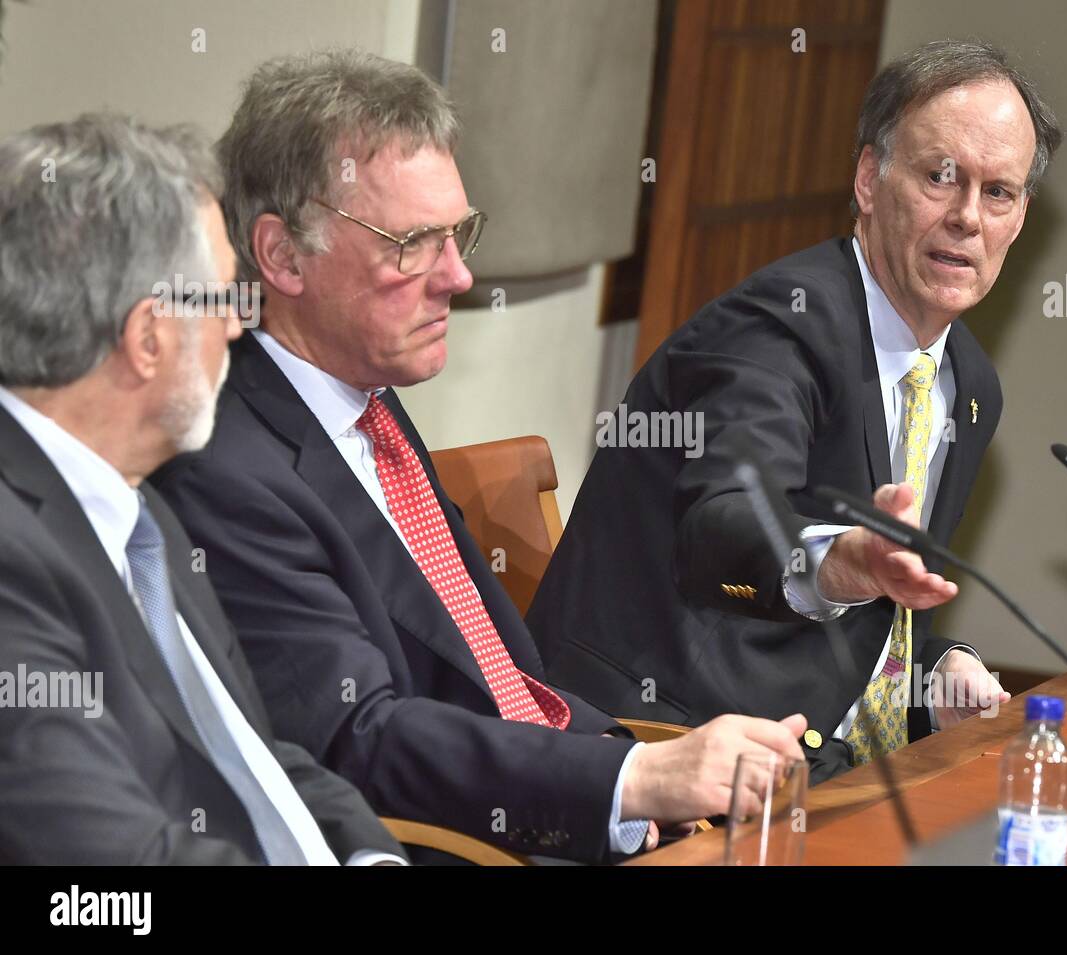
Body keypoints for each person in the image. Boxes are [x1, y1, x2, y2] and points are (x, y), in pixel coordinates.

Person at [151, 50, 806, 864]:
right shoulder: (222, 464)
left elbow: (496, 678)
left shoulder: (368, 400)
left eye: (457, 233)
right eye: (412, 243)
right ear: (282, 256)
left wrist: (646, 773)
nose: (458, 276)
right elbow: (357, 739)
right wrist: (633, 779)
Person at [528, 40, 1063, 782]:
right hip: (664, 739)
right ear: (870, 180)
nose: (967, 217)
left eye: (997, 192)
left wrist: (938, 671)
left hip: (821, 751)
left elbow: (879, 612)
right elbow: (722, 528)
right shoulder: (774, 330)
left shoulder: (967, 384)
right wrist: (839, 562)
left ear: (1020, 217)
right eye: (940, 176)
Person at [0, 114, 405, 865]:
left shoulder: (141, 508)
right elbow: (110, 868)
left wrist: (371, 857)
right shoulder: (12, 563)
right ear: (148, 337)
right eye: (224, 297)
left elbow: (248, 749)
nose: (236, 329)